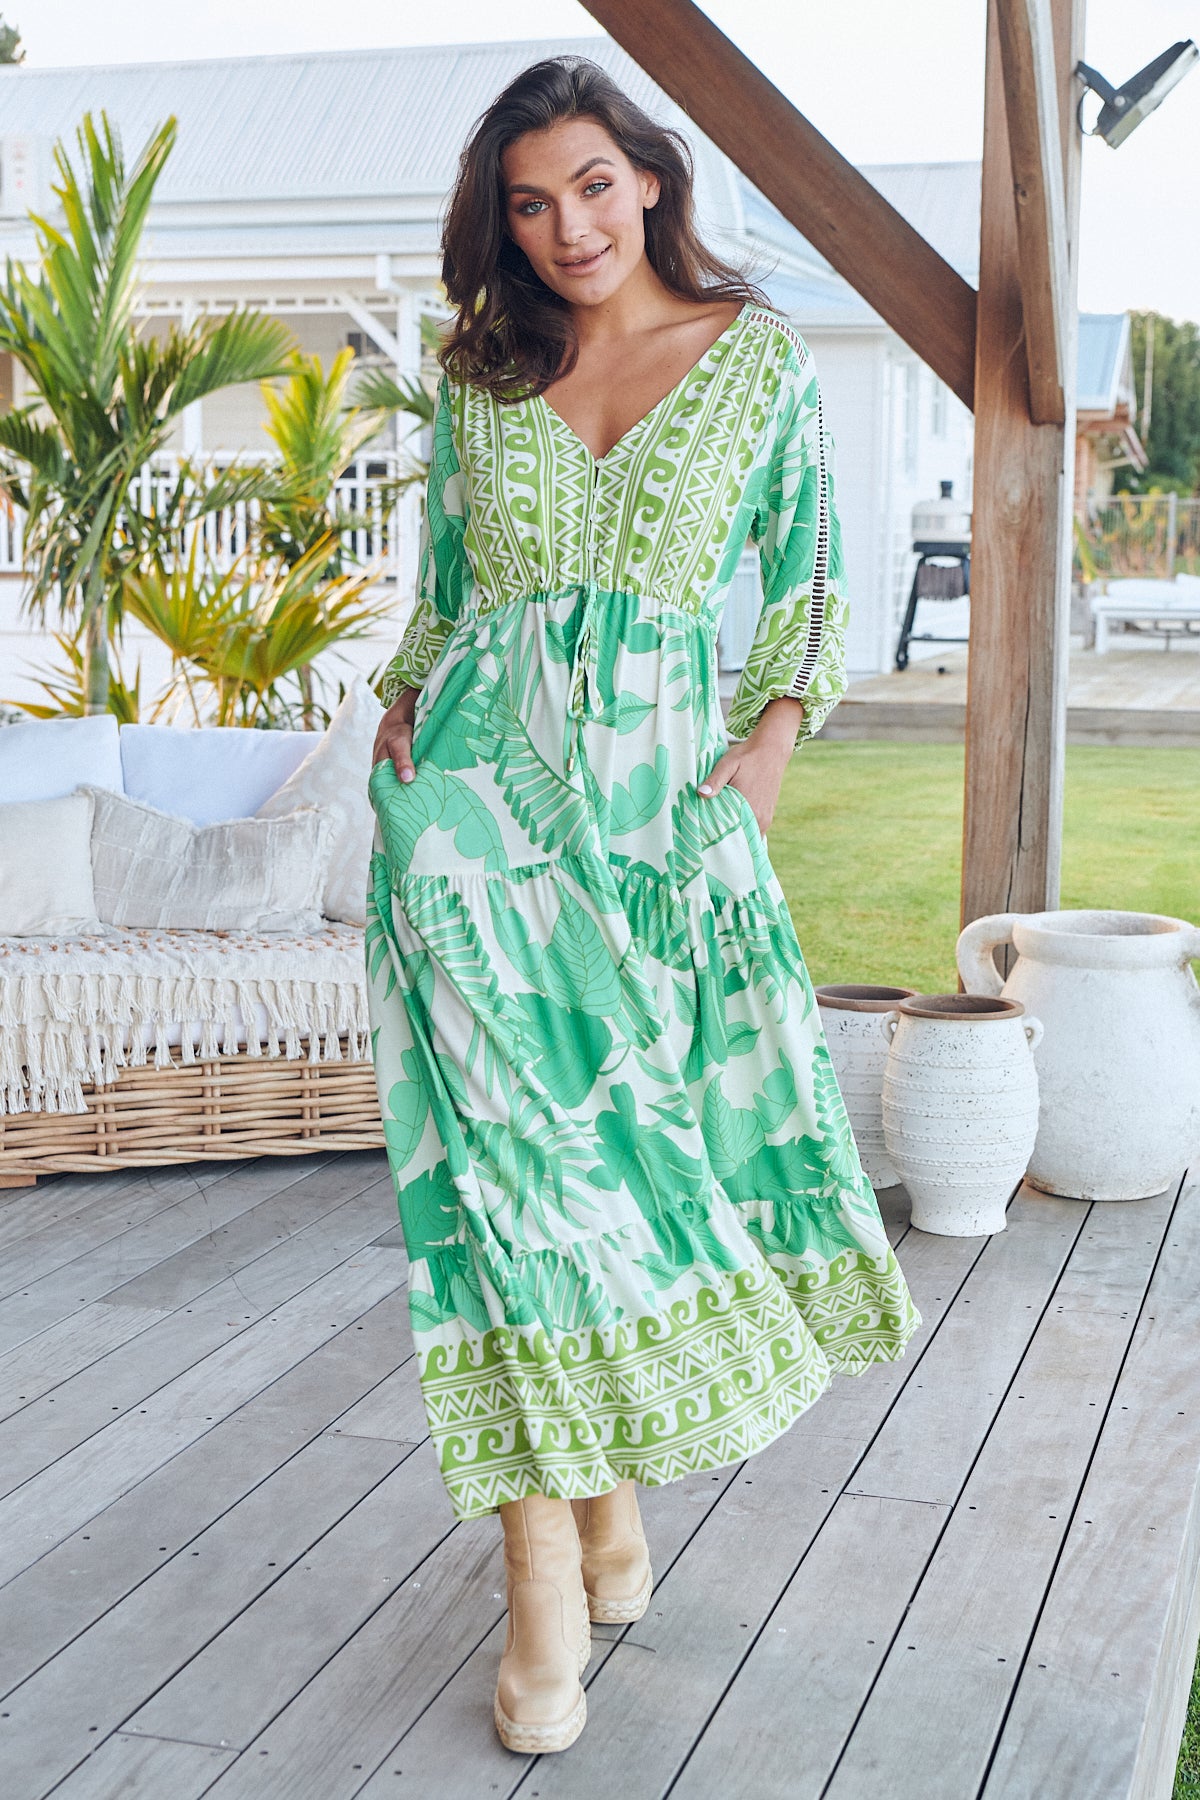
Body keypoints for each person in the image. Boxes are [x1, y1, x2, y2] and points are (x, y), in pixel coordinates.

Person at [367, 54, 920, 1757]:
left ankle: (607, 1507)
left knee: (621, 1176)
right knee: (509, 1191)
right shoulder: (482, 374)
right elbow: (445, 594)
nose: (567, 228)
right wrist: (403, 711)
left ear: (653, 179)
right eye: (530, 204)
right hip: (471, 836)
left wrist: (768, 750)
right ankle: (541, 1574)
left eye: (592, 185)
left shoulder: (755, 362)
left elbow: (811, 577)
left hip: (657, 835)